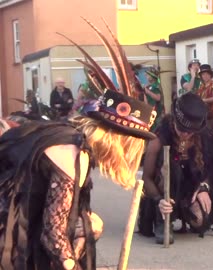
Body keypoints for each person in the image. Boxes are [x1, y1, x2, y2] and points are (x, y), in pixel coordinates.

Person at [0, 22, 157, 270]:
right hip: (9, 238)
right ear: (121, 141)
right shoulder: (72, 153)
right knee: (81, 231)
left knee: (90, 222)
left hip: (20, 221)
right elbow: (52, 235)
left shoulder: (64, 133)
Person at [141, 93, 213, 244]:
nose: (185, 134)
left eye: (189, 131)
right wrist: (159, 201)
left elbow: (212, 170)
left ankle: (187, 213)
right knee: (171, 171)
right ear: (174, 121)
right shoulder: (158, 139)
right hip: (164, 190)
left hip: (190, 189)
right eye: (181, 129)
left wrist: (204, 187)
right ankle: (162, 219)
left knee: (200, 221)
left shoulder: (204, 137)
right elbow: (146, 177)